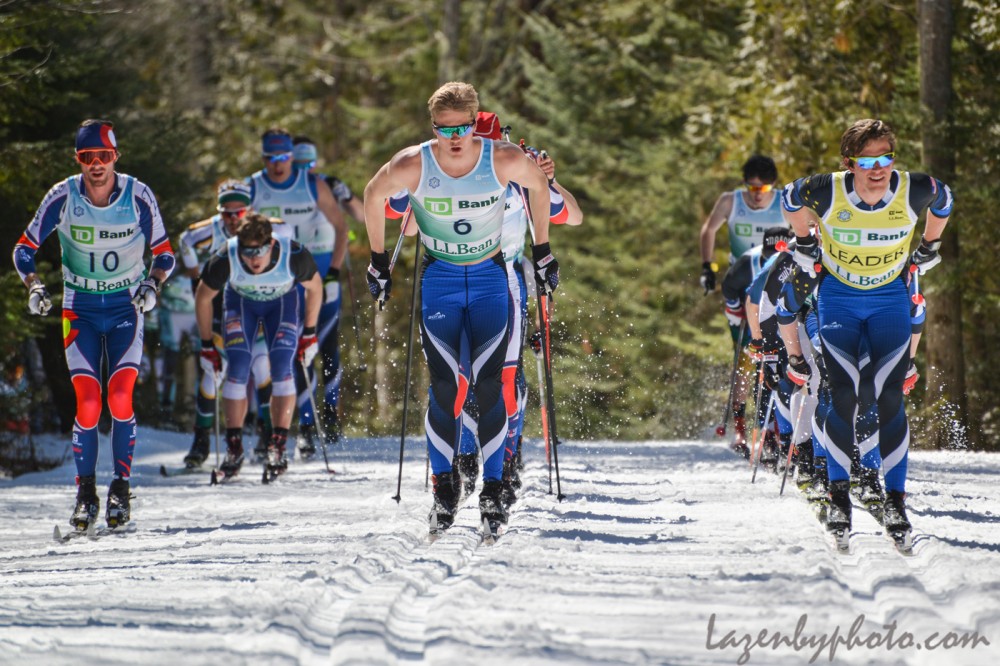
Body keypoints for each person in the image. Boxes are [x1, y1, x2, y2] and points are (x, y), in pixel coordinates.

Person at [363, 81, 558, 535]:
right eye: (444, 128)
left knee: (490, 387)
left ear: (476, 123)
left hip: (491, 279)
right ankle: (445, 487)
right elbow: (373, 195)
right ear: (433, 126)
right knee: (446, 389)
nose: (454, 138)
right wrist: (377, 262)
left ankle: (492, 489)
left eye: (464, 128)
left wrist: (544, 251)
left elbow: (541, 189)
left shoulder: (502, 157)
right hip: (441, 280)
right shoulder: (414, 162)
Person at [780, 118, 953, 547]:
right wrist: (803, 240)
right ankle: (839, 498)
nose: (878, 168)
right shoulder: (829, 189)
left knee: (889, 396)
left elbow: (945, 201)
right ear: (849, 163)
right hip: (838, 297)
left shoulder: (914, 188)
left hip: (888, 299)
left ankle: (895, 501)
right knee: (843, 394)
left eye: (886, 157)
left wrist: (930, 245)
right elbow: (788, 198)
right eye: (868, 160)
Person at [12, 119, 175, 530]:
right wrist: (33, 286)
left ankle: (121, 487)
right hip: (79, 307)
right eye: (88, 158)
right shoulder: (63, 195)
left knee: (120, 398)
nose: (96, 165)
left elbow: (165, 253)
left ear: (115, 157)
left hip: (125, 307)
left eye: (103, 156)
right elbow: (24, 249)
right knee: (87, 402)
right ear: (78, 160)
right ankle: (86, 493)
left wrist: (153, 286)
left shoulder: (137, 195)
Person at [453, 111, 583, 510]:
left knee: (506, 380)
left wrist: (548, 179)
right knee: (460, 378)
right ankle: (464, 455)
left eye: (496, 146)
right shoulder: (453, 168)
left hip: (507, 277)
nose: (489, 155)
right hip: (455, 280)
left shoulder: (521, 175)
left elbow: (574, 217)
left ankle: (506, 459)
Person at [195, 212, 322, 479]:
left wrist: (309, 332)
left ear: (272, 244)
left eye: (260, 251)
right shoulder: (225, 255)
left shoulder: (293, 253)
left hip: (281, 305)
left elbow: (316, 287)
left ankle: (277, 446)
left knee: (281, 367)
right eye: (248, 252)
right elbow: (203, 298)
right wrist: (207, 344)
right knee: (238, 367)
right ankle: (234, 447)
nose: (253, 259)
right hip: (242, 306)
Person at [247, 128, 348, 458]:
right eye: (270, 158)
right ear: (263, 158)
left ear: (291, 157)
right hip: (274, 282)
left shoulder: (312, 185)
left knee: (316, 348)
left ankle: (316, 424)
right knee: (274, 356)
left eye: (283, 158)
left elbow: (342, 226)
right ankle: (275, 430)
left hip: (315, 276)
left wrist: (333, 270)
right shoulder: (254, 187)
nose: (277, 165)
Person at [175, 180, 273, 467]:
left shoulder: (264, 228)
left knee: (262, 364)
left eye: (238, 213)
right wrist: (197, 281)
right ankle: (201, 441)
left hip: (256, 305)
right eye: (225, 213)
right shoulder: (206, 231)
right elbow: (185, 241)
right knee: (212, 371)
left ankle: (267, 436)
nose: (232, 220)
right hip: (220, 308)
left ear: (249, 210)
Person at [700, 155, 788, 450]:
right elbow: (709, 230)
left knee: (776, 354)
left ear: (773, 186)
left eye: (762, 189)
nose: (755, 194)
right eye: (750, 187)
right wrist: (707, 266)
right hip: (741, 282)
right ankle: (740, 428)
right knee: (746, 357)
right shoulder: (730, 200)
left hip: (776, 284)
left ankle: (775, 427)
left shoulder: (785, 201)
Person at [289, 137, 364, 449]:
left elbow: (359, 217)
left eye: (310, 164)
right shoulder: (283, 190)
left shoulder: (326, 186)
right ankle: (306, 423)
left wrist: (346, 195)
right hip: (296, 279)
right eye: (299, 164)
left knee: (329, 347)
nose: (305, 170)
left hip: (326, 275)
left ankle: (331, 414)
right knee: (299, 350)